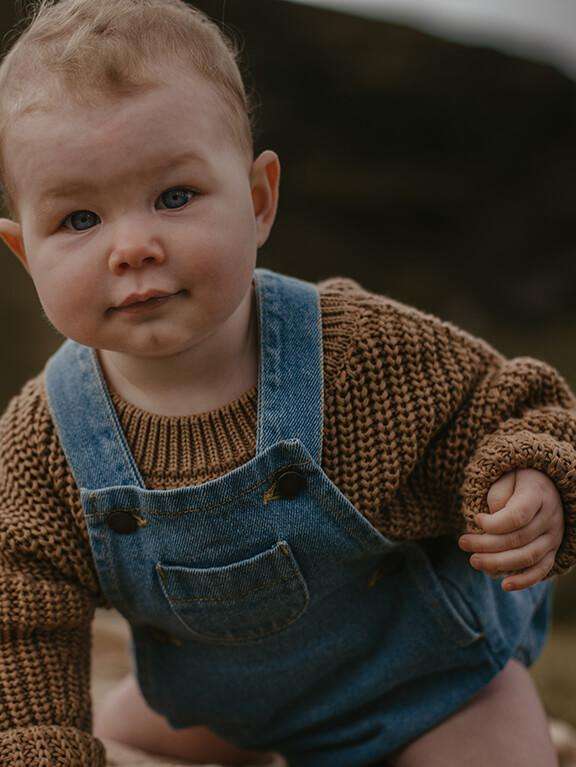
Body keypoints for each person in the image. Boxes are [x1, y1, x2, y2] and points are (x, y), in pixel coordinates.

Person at [0, 0, 573, 765]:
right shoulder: (44, 442)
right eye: (77, 219)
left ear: (259, 199)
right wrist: (42, 745)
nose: (133, 246)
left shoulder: (351, 350)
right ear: (24, 252)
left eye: (174, 197)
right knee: (106, 736)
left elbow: (506, 406)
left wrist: (529, 473)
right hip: (224, 707)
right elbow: (22, 615)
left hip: (433, 691)